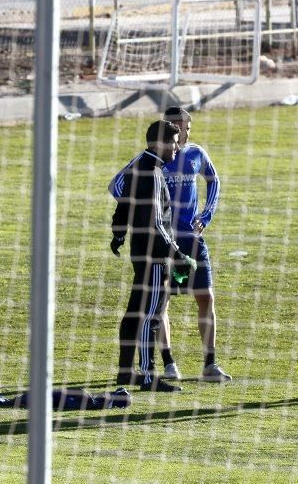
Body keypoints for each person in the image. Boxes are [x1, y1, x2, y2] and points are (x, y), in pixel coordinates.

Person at [109, 107, 232, 382]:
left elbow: (214, 180)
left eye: (183, 125)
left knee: (205, 297)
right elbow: (118, 185)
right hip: (161, 246)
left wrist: (206, 215)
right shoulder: (150, 162)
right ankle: (165, 364)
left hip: (191, 239)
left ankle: (209, 364)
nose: (179, 130)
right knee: (158, 305)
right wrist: (137, 215)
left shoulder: (195, 154)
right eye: (174, 124)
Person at [110, 120, 196, 392]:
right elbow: (157, 224)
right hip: (155, 256)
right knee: (152, 315)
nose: (176, 147)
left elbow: (123, 201)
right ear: (159, 143)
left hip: (140, 252)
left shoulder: (138, 167)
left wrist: (119, 234)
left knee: (135, 312)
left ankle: (126, 372)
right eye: (173, 142)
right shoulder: (152, 173)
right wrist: (179, 254)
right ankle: (148, 376)